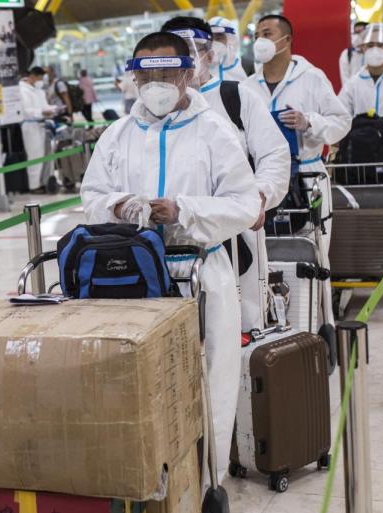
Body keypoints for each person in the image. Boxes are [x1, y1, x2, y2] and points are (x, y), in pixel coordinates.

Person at [81, 32, 260, 484]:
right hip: (132, 275)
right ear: (134, 77)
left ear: (187, 72)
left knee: (209, 384)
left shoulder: (214, 132)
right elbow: (92, 196)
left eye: (166, 71)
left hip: (201, 270)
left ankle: (205, 488)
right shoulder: (117, 135)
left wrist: (185, 209)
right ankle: (139, 484)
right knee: (137, 386)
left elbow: (244, 204)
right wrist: (121, 206)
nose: (156, 81)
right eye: (146, 73)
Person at [161, 16, 291, 332]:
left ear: (210, 53)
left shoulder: (235, 96)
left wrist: (261, 194)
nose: (187, 61)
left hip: (235, 234)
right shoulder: (153, 109)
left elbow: (274, 153)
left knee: (241, 324)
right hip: (170, 238)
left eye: (194, 51)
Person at [245, 14, 351, 327]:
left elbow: (341, 122)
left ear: (287, 40)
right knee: (266, 255)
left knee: (313, 252)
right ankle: (272, 323)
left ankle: (319, 323)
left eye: (268, 33)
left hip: (308, 179)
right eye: (257, 34)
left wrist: (310, 123)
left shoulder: (311, 78)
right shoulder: (247, 87)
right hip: (263, 183)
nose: (261, 39)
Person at [20, 66, 59, 191]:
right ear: (32, 76)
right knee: (34, 155)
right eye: (40, 78)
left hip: (42, 125)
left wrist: (52, 109)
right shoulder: (22, 90)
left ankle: (42, 181)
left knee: (43, 154)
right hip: (30, 125)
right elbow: (26, 111)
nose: (41, 80)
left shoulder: (38, 90)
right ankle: (34, 185)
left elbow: (44, 105)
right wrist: (42, 112)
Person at [208, 16, 247, 82]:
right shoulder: (199, 68)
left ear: (229, 40)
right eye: (211, 39)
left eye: (218, 38)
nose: (214, 43)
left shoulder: (245, 65)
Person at [339, 21, 368, 86]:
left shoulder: (373, 54)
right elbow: (345, 81)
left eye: (361, 32)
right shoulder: (346, 54)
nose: (358, 35)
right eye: (356, 33)